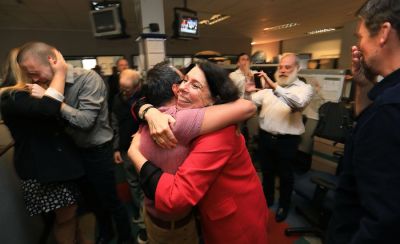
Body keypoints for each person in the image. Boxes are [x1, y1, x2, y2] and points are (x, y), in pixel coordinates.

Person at [129, 60, 268, 244]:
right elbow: (143, 101)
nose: (182, 88)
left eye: (195, 85)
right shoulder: (184, 115)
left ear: (214, 100)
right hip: (211, 212)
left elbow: (174, 198)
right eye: (184, 80)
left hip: (235, 221)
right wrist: (148, 111)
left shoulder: (219, 132)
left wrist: (134, 153)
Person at [16, 42, 133, 244]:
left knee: (110, 200)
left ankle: (126, 238)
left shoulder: (87, 79)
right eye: (30, 76)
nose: (34, 80)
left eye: (35, 72)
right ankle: (105, 233)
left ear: (52, 61)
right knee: (91, 202)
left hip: (98, 151)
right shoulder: (47, 86)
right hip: (74, 152)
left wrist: (51, 100)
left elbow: (86, 121)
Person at [326, 0, 400, 243]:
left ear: (384, 33)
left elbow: (383, 220)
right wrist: (364, 84)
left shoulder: (388, 110)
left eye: (361, 36)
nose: (359, 46)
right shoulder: (387, 99)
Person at [0, 48, 84, 244]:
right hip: (43, 170)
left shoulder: (26, 93)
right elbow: (48, 109)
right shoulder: (12, 97)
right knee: (66, 218)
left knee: (70, 214)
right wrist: (61, 72)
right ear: (21, 69)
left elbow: (56, 119)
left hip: (53, 166)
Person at [251, 53, 313, 222]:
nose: (283, 70)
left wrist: (274, 87)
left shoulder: (304, 89)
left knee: (286, 175)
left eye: (288, 67)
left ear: (297, 69)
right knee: (268, 173)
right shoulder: (269, 89)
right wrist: (246, 91)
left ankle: (284, 205)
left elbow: (297, 104)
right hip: (265, 138)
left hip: (287, 141)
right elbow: (250, 101)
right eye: (280, 67)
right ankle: (267, 199)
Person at [110, 69, 147, 243]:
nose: (124, 93)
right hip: (125, 150)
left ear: (138, 85)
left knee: (145, 184)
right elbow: (115, 125)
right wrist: (116, 149)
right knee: (132, 183)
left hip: (145, 150)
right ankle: (140, 214)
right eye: (122, 89)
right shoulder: (117, 99)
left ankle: (144, 220)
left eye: (128, 90)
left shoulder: (146, 99)